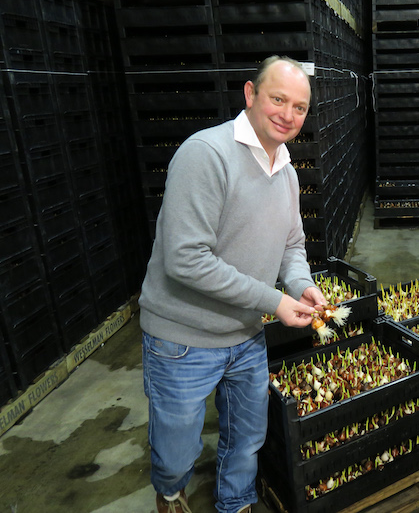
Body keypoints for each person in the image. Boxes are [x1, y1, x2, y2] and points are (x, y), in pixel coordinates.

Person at [139, 56, 327, 513]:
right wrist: (272, 300)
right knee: (177, 445)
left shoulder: (286, 169)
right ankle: (170, 493)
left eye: (299, 107)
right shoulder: (206, 154)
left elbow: (292, 245)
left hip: (245, 334)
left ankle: (236, 501)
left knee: (247, 436)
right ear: (250, 95)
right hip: (183, 338)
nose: (287, 114)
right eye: (277, 99)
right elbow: (186, 259)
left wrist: (299, 285)